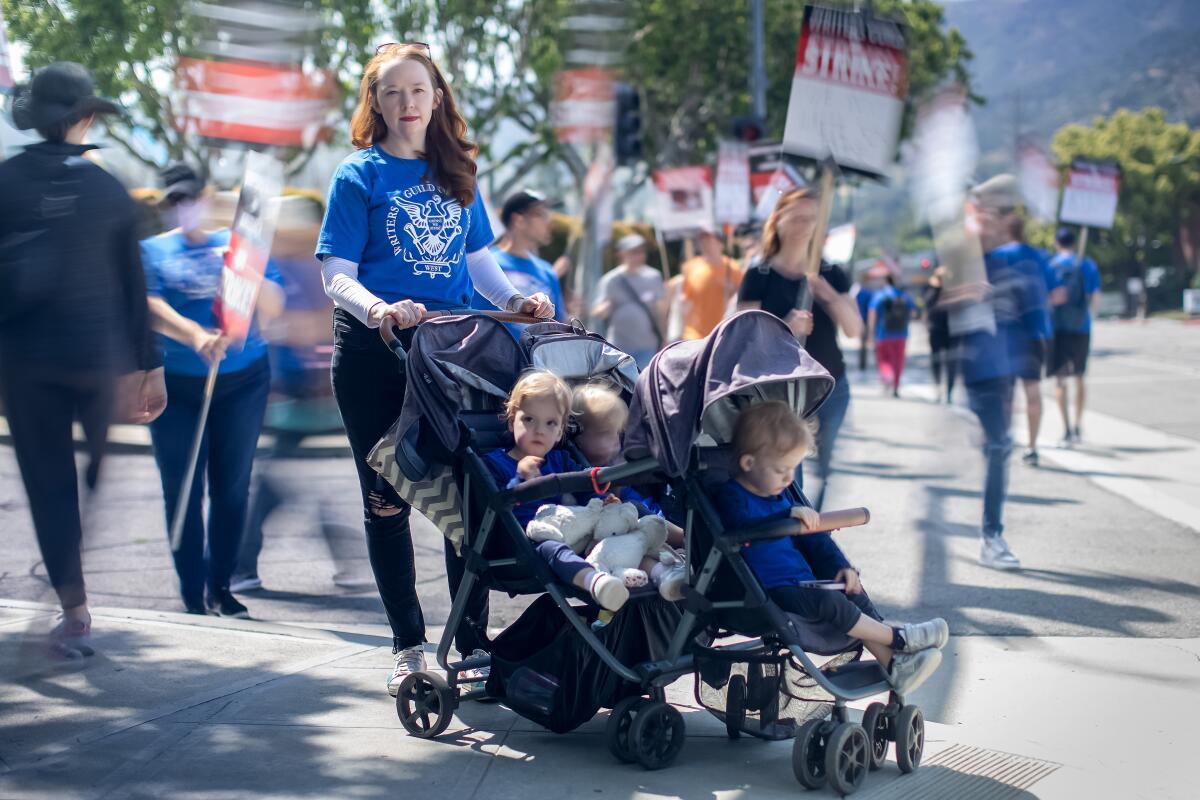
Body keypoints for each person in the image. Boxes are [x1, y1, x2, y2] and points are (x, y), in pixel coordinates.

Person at [315, 42, 553, 696]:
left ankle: (469, 643)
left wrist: (514, 302)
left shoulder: (458, 172)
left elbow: (480, 264)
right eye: (392, 92)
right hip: (374, 354)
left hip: (451, 351)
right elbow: (336, 273)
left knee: (468, 497)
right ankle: (408, 646)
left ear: (437, 97)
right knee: (385, 499)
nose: (407, 103)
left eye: (418, 90)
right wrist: (380, 309)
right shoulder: (357, 175)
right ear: (376, 103)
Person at [0, 62, 166, 657]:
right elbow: (133, 285)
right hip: (97, 359)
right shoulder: (107, 187)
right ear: (84, 118)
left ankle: (74, 605)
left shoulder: (5, 181)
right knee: (92, 475)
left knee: (48, 483)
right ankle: (73, 578)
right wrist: (151, 367)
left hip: (24, 363)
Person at [708, 402, 947, 696]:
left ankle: (894, 665)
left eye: (794, 468)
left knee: (850, 592)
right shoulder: (732, 497)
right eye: (781, 469)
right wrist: (787, 517)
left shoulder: (781, 496)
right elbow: (744, 528)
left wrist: (842, 569)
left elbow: (817, 542)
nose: (789, 479)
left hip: (799, 584)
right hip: (765, 592)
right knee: (828, 602)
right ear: (748, 464)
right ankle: (900, 638)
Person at [141, 162, 285, 618]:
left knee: (231, 487)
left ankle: (221, 585)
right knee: (181, 487)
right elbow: (150, 303)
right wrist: (195, 335)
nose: (183, 209)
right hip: (178, 385)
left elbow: (274, 303)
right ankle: (192, 591)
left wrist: (247, 273)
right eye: (174, 202)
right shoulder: (150, 251)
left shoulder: (241, 243)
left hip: (243, 380)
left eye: (190, 198)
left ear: (206, 197)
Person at [737, 189, 863, 511]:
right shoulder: (759, 273)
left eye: (811, 219)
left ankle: (818, 534)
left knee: (827, 468)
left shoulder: (831, 272)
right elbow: (742, 336)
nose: (803, 226)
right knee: (792, 468)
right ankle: (800, 534)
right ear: (777, 221)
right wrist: (784, 327)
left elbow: (855, 330)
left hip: (830, 386)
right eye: (795, 217)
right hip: (781, 391)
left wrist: (826, 294)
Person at [482, 371, 630, 610]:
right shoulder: (495, 463)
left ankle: (670, 558)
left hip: (570, 530)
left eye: (550, 423)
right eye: (529, 419)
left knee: (627, 514)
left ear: (561, 431)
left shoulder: (560, 459)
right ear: (512, 421)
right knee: (553, 548)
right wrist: (520, 478)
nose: (539, 430)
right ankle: (596, 582)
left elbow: (586, 489)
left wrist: (603, 500)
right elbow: (496, 506)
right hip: (524, 543)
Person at [960, 175, 1047, 570]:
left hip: (1006, 368)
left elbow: (1031, 316)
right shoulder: (967, 262)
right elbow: (947, 317)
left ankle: (990, 534)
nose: (996, 219)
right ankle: (991, 536)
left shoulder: (1016, 260)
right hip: (981, 369)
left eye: (1001, 212)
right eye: (989, 212)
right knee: (998, 447)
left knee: (999, 446)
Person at [471, 188, 566, 337]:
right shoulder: (482, 267)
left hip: (536, 359)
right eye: (541, 214)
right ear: (519, 220)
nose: (549, 222)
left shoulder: (547, 271)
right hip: (490, 358)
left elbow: (557, 323)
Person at [1049, 227, 1101, 446]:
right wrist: (1089, 317)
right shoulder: (1086, 264)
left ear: (1056, 243)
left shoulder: (1051, 265)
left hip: (1057, 328)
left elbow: (1046, 297)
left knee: (1060, 380)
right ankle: (1079, 425)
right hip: (1081, 327)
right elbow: (1094, 296)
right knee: (1079, 377)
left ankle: (1066, 428)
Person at [593, 234, 665, 368]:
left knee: (643, 385)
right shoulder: (610, 280)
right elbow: (598, 310)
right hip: (619, 347)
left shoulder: (654, 277)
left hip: (647, 345)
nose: (638, 256)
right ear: (621, 254)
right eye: (633, 252)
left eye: (640, 252)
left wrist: (664, 337)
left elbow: (659, 311)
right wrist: (605, 308)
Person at [676, 226, 742, 340]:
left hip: (721, 333)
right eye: (702, 240)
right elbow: (685, 301)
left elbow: (742, 299)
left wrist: (732, 290)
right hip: (694, 335)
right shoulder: (691, 267)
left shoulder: (733, 268)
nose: (705, 243)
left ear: (720, 244)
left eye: (709, 239)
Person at [866, 275, 916, 397]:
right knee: (898, 361)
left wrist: (871, 333)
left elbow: (872, 313)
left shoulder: (880, 295)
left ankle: (887, 377)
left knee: (884, 360)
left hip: (883, 334)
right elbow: (913, 313)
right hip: (901, 334)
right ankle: (896, 386)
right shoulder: (904, 296)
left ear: (886, 281)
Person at [923, 267, 957, 403]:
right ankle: (945, 391)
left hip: (940, 330)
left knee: (939, 362)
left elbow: (926, 314)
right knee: (948, 363)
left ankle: (942, 390)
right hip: (946, 331)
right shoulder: (950, 294)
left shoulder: (931, 293)